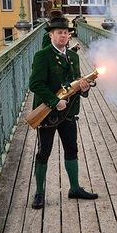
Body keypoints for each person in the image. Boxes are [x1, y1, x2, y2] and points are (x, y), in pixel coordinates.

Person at [28, 15, 98, 208]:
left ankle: (74, 188)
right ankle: (39, 193)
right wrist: (54, 101)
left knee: (71, 149)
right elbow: (35, 84)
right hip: (48, 112)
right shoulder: (43, 56)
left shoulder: (73, 56)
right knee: (44, 152)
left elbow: (75, 84)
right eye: (59, 32)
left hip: (68, 112)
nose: (63, 36)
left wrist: (84, 88)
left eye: (66, 33)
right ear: (51, 35)